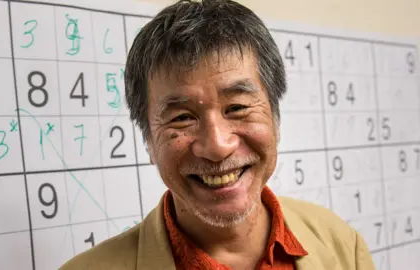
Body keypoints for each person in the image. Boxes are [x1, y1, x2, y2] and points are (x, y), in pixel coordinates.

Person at [60, 0, 375, 269]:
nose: (217, 146)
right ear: (149, 142)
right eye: (182, 117)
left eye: (237, 107)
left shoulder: (343, 246)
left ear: (275, 118)